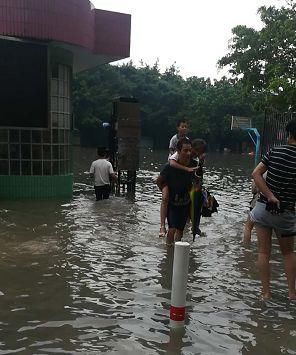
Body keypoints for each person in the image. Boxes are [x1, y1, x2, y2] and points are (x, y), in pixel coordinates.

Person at [250, 118, 296, 300]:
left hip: (263, 209)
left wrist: (269, 195)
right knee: (288, 253)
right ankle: (292, 294)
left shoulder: (275, 151)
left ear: (289, 134)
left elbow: (256, 174)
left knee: (263, 252)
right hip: (286, 213)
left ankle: (265, 293)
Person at [157, 138, 194, 246]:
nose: (188, 153)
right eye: (185, 150)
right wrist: (164, 192)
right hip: (172, 202)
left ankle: (177, 251)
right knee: (172, 229)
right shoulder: (169, 167)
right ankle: (168, 252)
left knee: (180, 231)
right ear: (178, 151)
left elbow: (197, 183)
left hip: (185, 202)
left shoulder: (194, 164)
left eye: (189, 150)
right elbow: (159, 180)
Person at [170, 139, 207, 239]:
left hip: (189, 187)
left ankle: (192, 226)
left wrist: (201, 163)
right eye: (195, 151)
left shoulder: (196, 161)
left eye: (199, 153)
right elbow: (171, 165)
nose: (195, 154)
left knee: (198, 201)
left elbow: (198, 177)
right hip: (176, 186)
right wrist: (186, 169)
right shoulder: (178, 156)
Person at [159, 119, 189, 237]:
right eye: (182, 126)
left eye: (186, 126)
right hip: (171, 172)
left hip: (181, 172)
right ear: (178, 127)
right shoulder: (174, 139)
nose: (184, 128)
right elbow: (173, 158)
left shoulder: (188, 141)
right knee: (165, 198)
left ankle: (186, 225)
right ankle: (162, 226)